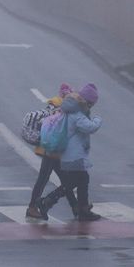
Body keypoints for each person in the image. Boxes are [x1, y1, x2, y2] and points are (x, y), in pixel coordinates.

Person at [37, 83, 103, 222]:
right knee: (73, 182)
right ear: (85, 101)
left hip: (71, 154)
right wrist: (98, 119)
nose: (91, 106)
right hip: (73, 155)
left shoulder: (73, 110)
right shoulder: (76, 114)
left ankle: (82, 209)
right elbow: (90, 127)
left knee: (81, 180)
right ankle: (47, 201)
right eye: (90, 103)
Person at [26, 84, 80, 220]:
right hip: (50, 149)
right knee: (45, 178)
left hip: (52, 148)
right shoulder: (57, 106)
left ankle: (75, 206)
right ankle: (33, 207)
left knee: (64, 179)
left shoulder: (59, 106)